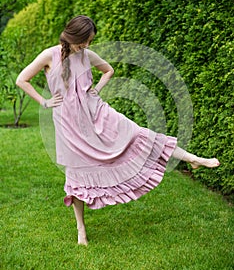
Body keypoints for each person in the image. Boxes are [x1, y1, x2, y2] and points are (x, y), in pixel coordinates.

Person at [16, 15, 220, 246]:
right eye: (84, 41)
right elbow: (22, 80)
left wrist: (96, 91)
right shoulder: (48, 55)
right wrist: (44, 102)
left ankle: (193, 159)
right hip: (68, 123)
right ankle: (81, 229)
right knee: (76, 172)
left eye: (90, 41)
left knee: (138, 134)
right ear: (74, 35)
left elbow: (108, 70)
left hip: (97, 113)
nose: (87, 46)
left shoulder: (88, 55)